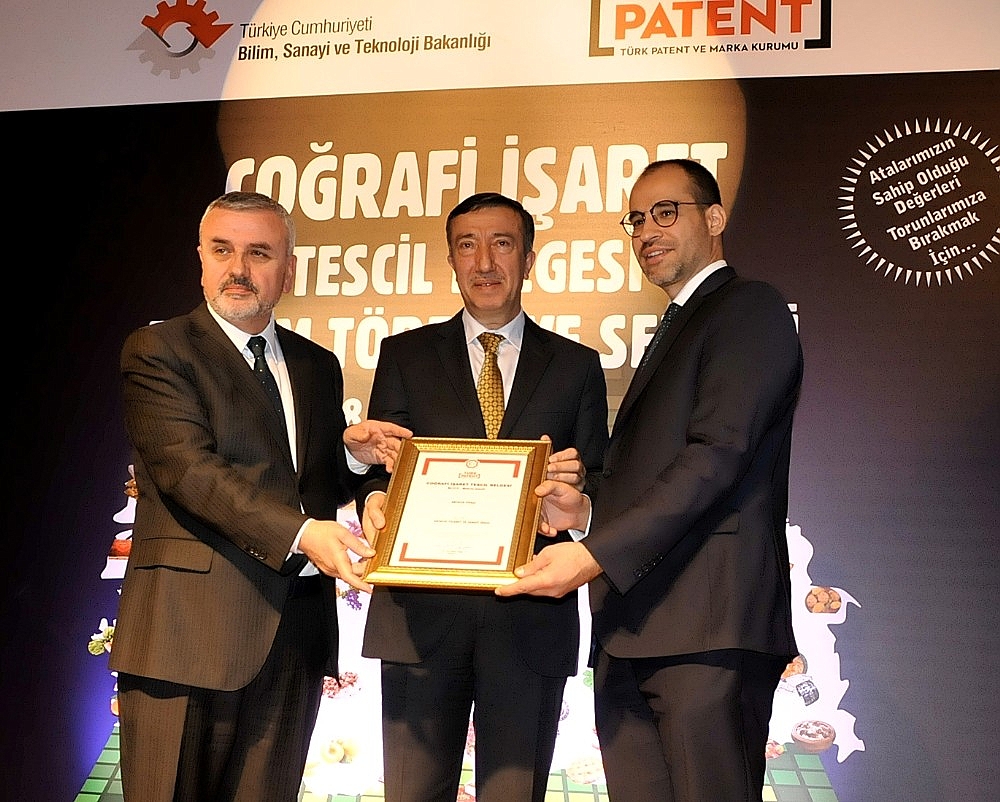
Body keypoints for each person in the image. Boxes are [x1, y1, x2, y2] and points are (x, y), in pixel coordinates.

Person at [497, 159, 803, 802]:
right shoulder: (679, 325)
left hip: (706, 631)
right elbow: (657, 474)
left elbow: (717, 455)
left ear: (714, 219)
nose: (647, 232)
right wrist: (584, 514)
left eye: (666, 212)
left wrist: (593, 553)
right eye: (636, 219)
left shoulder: (749, 307)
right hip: (636, 632)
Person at [109, 190, 412, 802]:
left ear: (289, 269)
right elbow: (190, 472)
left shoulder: (315, 364)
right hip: (184, 637)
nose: (239, 268)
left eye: (259, 253)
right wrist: (303, 534)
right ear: (201, 258)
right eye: (222, 250)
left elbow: (308, 482)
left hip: (292, 640)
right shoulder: (158, 350)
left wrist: (354, 456)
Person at [356, 192, 610, 802]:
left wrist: (576, 499)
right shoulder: (404, 355)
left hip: (530, 620)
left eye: (502, 244)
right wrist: (374, 497)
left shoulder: (576, 366)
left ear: (529, 259)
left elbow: (600, 480)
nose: (485, 262)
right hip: (419, 619)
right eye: (467, 246)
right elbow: (383, 463)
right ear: (451, 260)